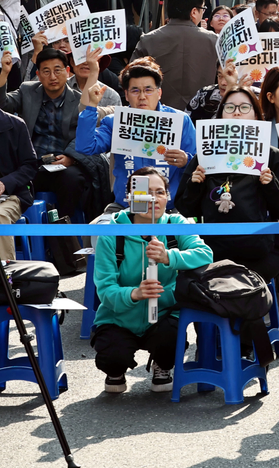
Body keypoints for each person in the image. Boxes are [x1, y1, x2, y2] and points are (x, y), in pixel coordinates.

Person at [91, 167, 214, 394]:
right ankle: (115, 369)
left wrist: (169, 256)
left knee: (169, 340)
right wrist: (134, 294)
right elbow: (105, 289)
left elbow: (204, 254)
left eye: (160, 192)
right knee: (112, 357)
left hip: (164, 311)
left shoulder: (176, 224)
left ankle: (163, 365)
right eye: (145, 192)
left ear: (168, 196)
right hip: (118, 317)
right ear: (129, 197)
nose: (153, 198)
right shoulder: (111, 233)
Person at [175, 87, 279, 281]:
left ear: (257, 115)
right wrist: (195, 185)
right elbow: (185, 208)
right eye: (229, 107)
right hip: (212, 250)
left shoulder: (272, 156)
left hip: (260, 251)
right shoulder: (205, 157)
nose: (236, 112)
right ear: (221, 115)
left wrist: (270, 185)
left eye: (244, 107)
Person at [0, 48, 108, 224]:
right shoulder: (27, 91)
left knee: (73, 179)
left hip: (61, 163)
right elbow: (2, 105)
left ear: (67, 71)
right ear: (39, 75)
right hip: (31, 163)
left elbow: (85, 131)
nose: (53, 77)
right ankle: (25, 234)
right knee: (12, 179)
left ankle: (63, 228)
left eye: (58, 70)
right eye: (46, 72)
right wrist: (4, 73)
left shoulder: (78, 101)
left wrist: (71, 157)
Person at [75, 55, 197, 206]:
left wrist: (186, 160)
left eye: (148, 90)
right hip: (125, 206)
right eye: (135, 91)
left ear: (159, 93)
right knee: (98, 228)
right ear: (126, 95)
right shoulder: (115, 122)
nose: (142, 97)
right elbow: (85, 147)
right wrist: (91, 107)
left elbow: (200, 163)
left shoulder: (180, 120)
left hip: (169, 207)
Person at [131, 0, 220, 112]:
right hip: (202, 115)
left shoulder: (149, 39)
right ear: (194, 12)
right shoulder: (214, 40)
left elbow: (131, 78)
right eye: (203, 8)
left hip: (158, 116)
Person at [0, 71, 38, 261]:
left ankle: (8, 277)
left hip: (10, 192)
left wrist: (5, 182)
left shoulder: (15, 125)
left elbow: (30, 165)